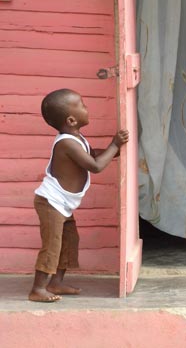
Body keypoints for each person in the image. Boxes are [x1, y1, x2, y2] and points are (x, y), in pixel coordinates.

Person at [28, 89, 129, 302]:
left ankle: (56, 283)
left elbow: (92, 154)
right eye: (82, 105)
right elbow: (95, 166)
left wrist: (117, 151)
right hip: (51, 203)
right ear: (72, 119)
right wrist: (115, 145)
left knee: (69, 241)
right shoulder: (67, 143)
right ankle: (37, 289)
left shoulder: (77, 138)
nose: (87, 107)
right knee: (52, 245)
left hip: (63, 204)